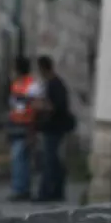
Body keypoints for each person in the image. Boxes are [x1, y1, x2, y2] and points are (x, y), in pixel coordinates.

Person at [33, 56, 76, 202]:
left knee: (50, 160)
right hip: (52, 127)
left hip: (54, 128)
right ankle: (56, 191)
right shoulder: (53, 84)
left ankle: (46, 192)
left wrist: (40, 106)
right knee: (54, 160)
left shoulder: (55, 85)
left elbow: (56, 106)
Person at [6, 56, 38, 202]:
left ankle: (21, 189)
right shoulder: (16, 84)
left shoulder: (31, 85)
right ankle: (20, 187)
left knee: (20, 157)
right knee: (18, 158)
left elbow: (33, 106)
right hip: (16, 125)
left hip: (26, 125)